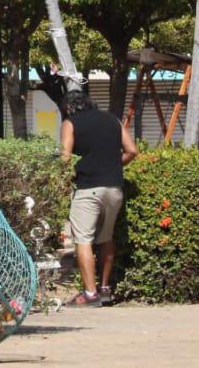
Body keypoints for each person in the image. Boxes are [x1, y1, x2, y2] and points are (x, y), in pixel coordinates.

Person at [60, 91, 138, 307]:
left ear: (68, 107)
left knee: (83, 240)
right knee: (106, 238)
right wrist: (112, 165)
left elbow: (65, 158)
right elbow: (132, 151)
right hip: (114, 188)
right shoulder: (112, 120)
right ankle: (104, 290)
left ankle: (89, 294)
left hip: (88, 189)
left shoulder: (70, 123)